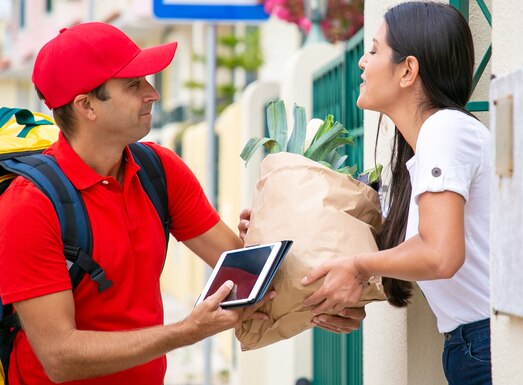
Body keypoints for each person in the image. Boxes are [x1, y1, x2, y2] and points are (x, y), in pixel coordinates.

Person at [0, 22, 354, 385]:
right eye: (134, 84)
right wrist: (186, 331)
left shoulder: (159, 170)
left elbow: (248, 278)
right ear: (86, 105)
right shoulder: (29, 206)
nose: (152, 94)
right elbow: (59, 356)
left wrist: (324, 303)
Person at [301, 1, 493, 385]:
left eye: (373, 50)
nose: (361, 62)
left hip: (483, 345)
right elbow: (392, 251)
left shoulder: (446, 130)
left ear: (407, 70)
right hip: (470, 345)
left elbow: (440, 255)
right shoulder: (418, 153)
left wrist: (358, 267)